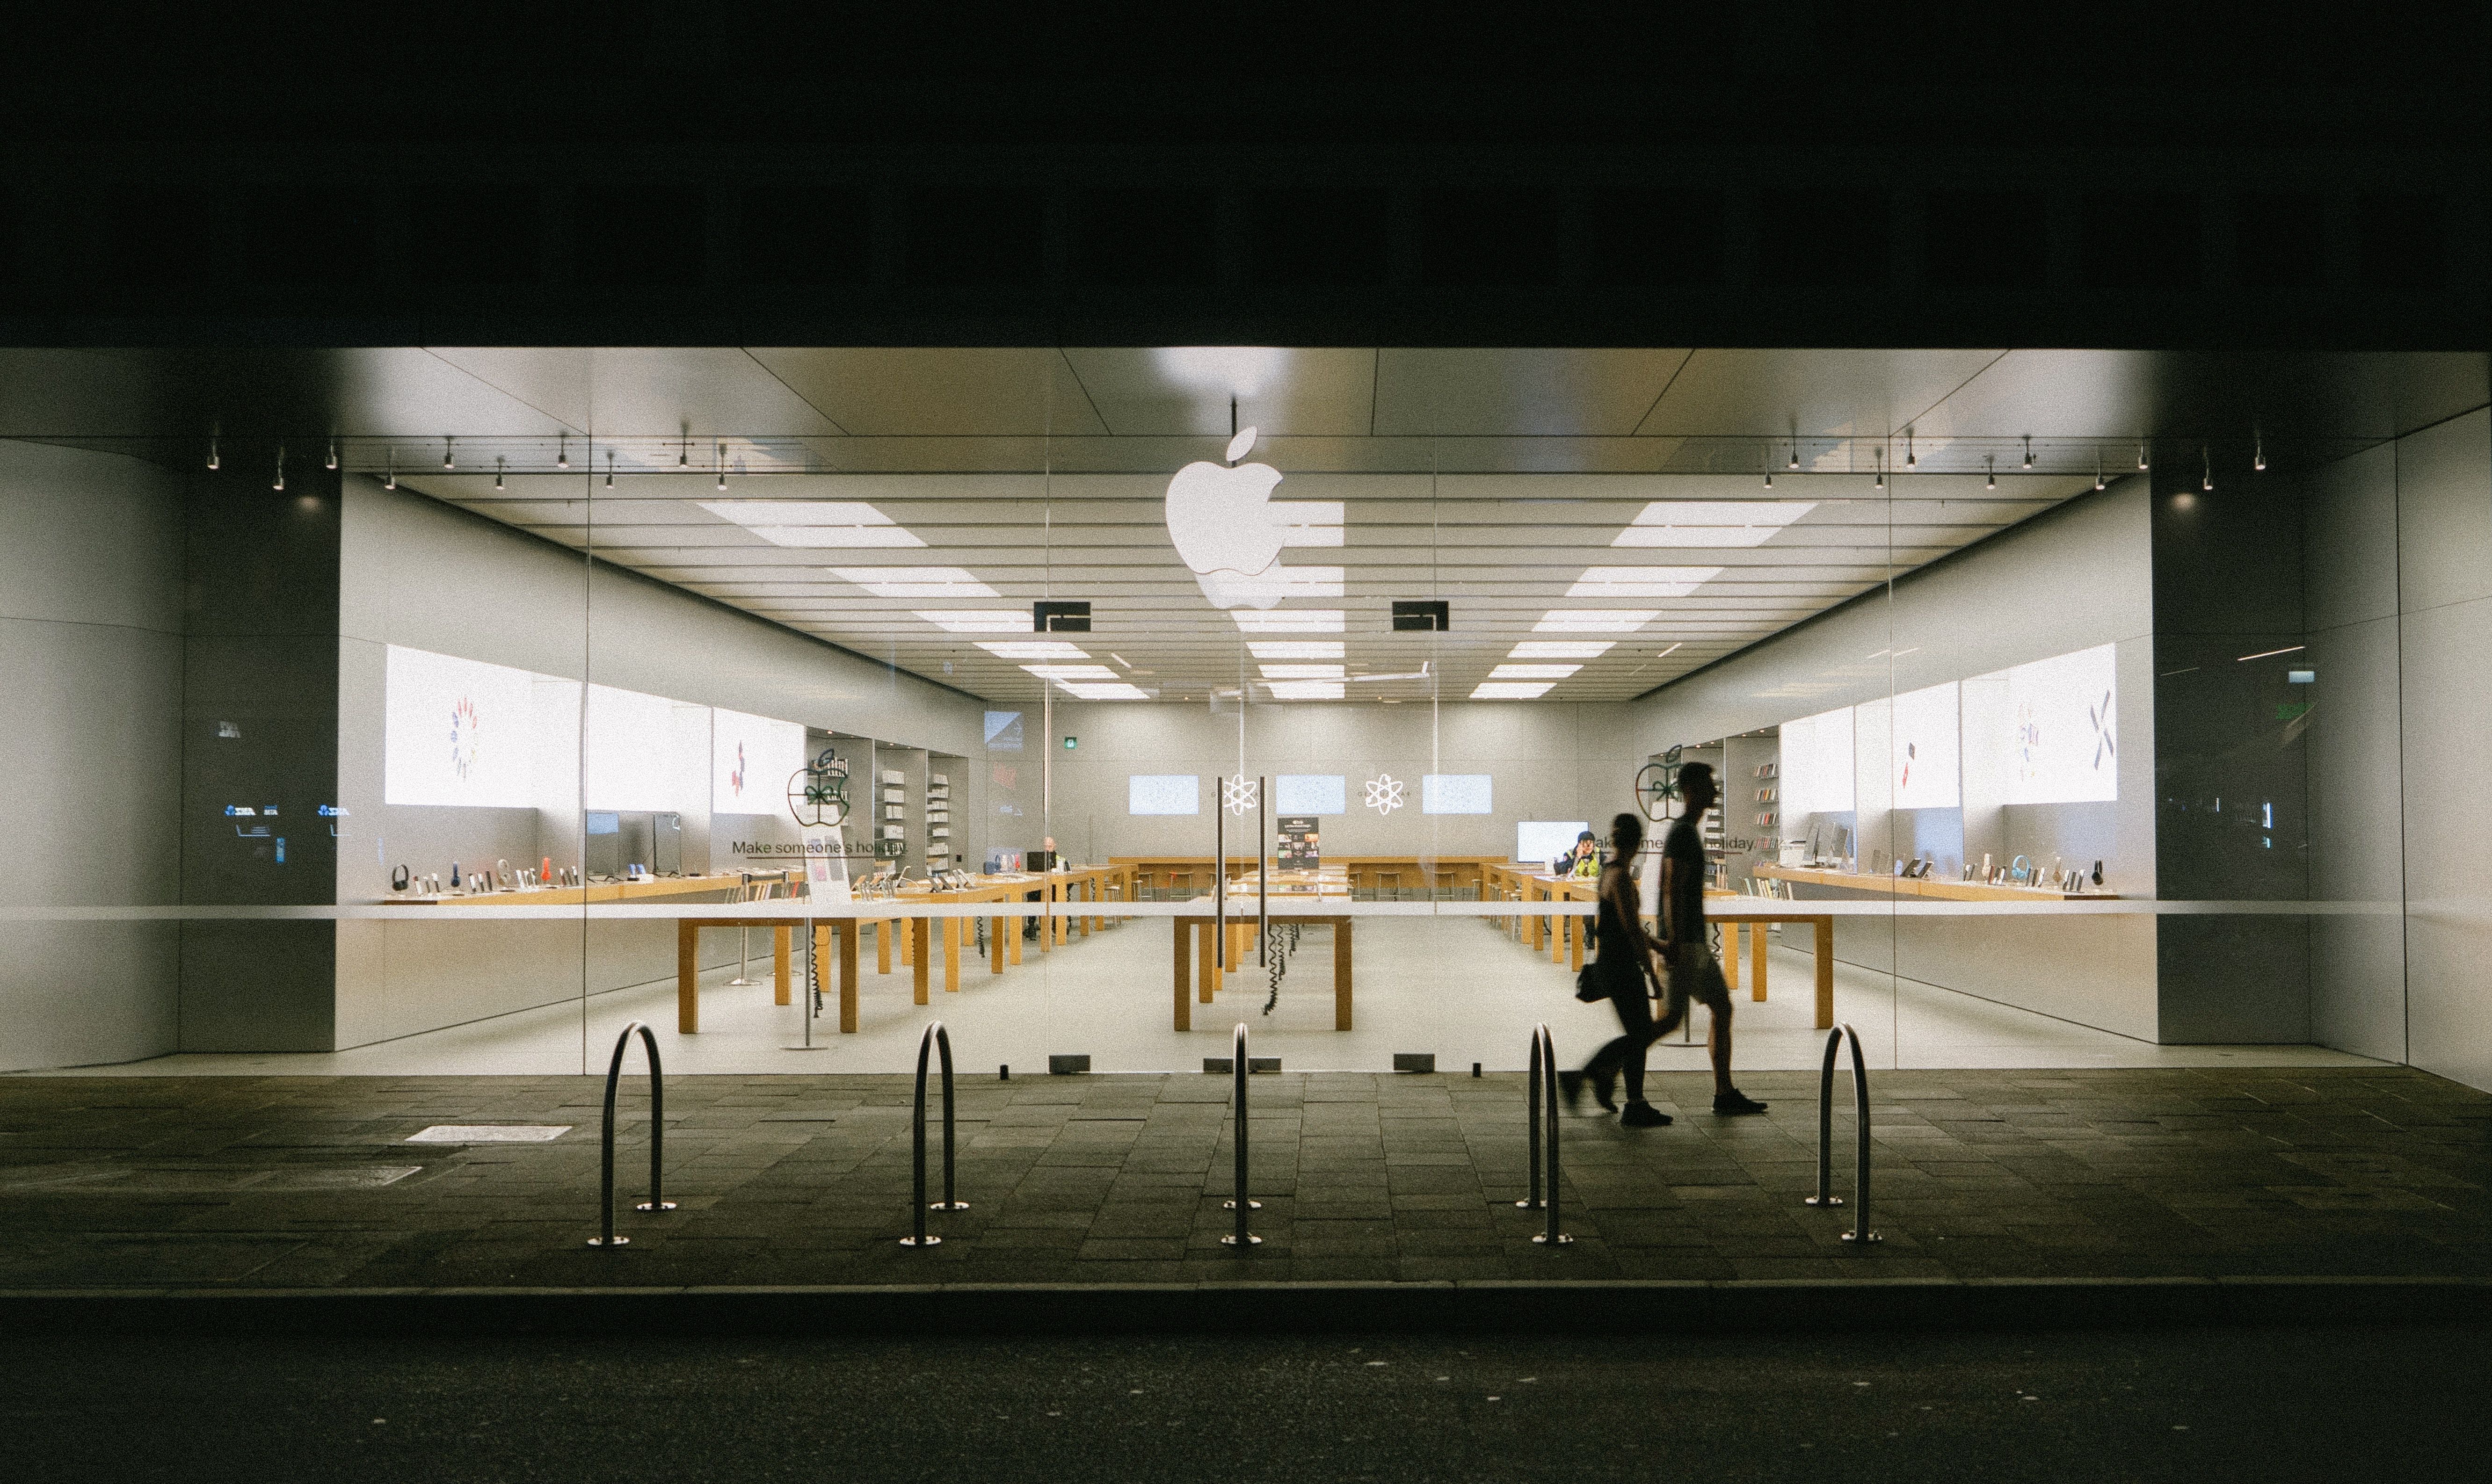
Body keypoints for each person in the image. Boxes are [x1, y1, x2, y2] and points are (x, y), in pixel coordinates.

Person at [1558, 812, 1676, 1127]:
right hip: (1621, 966)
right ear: (1638, 843)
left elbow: (1625, 927)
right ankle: (1591, 1077)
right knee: (1639, 1034)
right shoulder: (1620, 877)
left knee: (1636, 1034)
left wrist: (1658, 946)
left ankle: (1609, 1081)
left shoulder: (1609, 872)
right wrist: (1652, 973)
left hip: (1611, 963)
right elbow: (1631, 929)